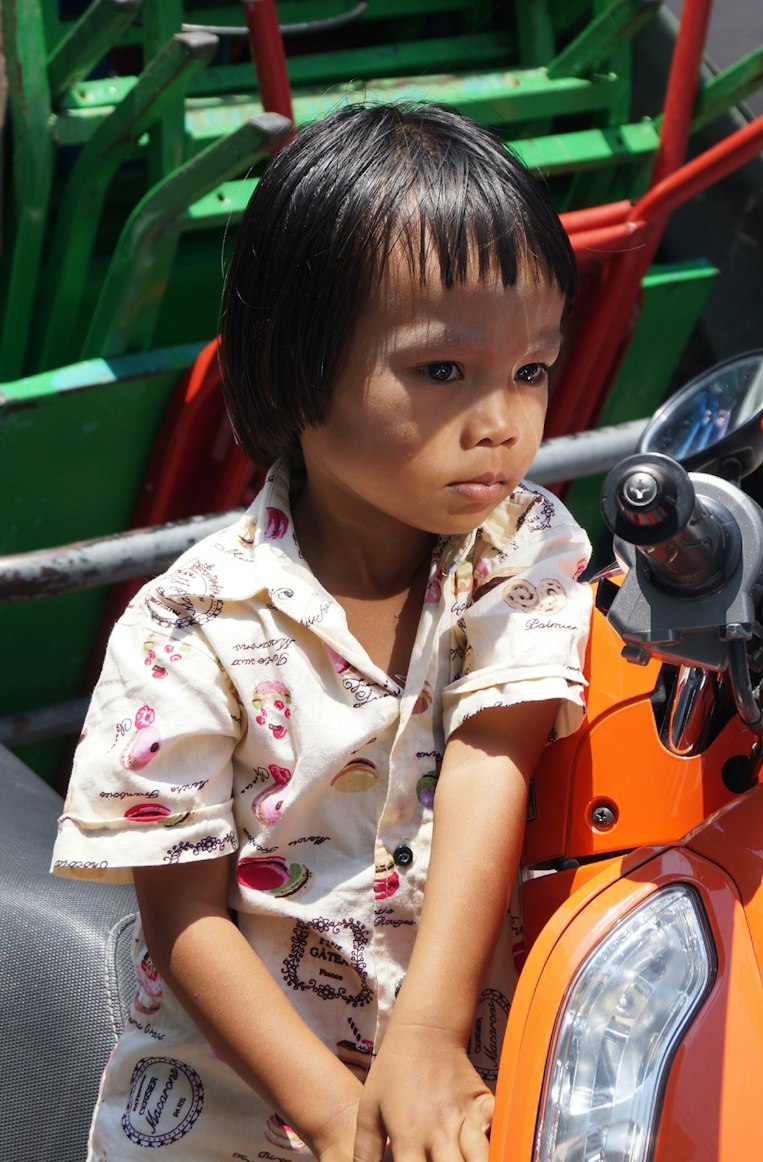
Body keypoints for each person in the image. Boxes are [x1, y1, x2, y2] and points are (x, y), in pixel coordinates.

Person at [51, 101, 592, 1162]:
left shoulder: (520, 545)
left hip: (460, 1101)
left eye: (531, 370)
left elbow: (497, 754)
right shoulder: (190, 623)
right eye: (444, 371)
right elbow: (186, 915)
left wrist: (431, 1038)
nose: (501, 421)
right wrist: (340, 1118)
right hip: (229, 1122)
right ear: (297, 367)